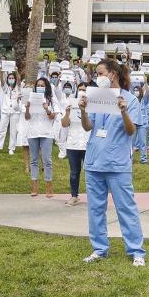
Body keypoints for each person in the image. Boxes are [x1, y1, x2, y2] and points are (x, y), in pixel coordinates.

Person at [79, 57, 146, 265]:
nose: (96, 78)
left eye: (100, 73)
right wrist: (82, 110)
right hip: (94, 161)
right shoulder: (97, 97)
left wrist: (123, 111)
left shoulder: (130, 99)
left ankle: (136, 251)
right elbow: (88, 127)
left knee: (126, 208)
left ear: (112, 74)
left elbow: (131, 130)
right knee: (95, 208)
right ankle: (99, 249)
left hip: (117, 163)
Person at [25, 76, 62, 197]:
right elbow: (27, 117)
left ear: (46, 87)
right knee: (33, 160)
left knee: (47, 160)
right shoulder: (32, 98)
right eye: (38, 85)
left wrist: (47, 109)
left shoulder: (51, 100)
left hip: (46, 132)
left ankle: (49, 187)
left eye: (42, 85)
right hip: (33, 132)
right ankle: (34, 187)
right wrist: (27, 108)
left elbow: (52, 117)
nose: (40, 87)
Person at [59, 79, 89, 207]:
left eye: (85, 90)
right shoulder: (71, 103)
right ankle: (74, 196)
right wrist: (67, 113)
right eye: (80, 89)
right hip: (73, 143)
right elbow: (64, 124)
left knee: (90, 172)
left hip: (88, 143)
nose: (82, 92)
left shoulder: (93, 105)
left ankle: (93, 197)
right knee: (74, 172)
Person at [0, 70, 19, 153]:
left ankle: (11, 148)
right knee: (2, 129)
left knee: (13, 130)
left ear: (15, 79)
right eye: (9, 78)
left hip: (15, 111)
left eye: (13, 78)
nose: (11, 79)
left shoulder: (18, 87)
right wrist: (2, 71)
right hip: (5, 111)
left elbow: (19, 79)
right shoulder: (6, 88)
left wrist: (16, 70)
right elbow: (2, 81)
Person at [131, 80, 149, 164]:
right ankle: (130, 158)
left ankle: (144, 159)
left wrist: (146, 82)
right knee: (131, 142)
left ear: (140, 91)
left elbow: (148, 93)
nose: (136, 92)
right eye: (134, 90)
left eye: (137, 90)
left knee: (143, 142)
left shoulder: (144, 99)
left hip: (142, 123)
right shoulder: (132, 100)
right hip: (133, 123)